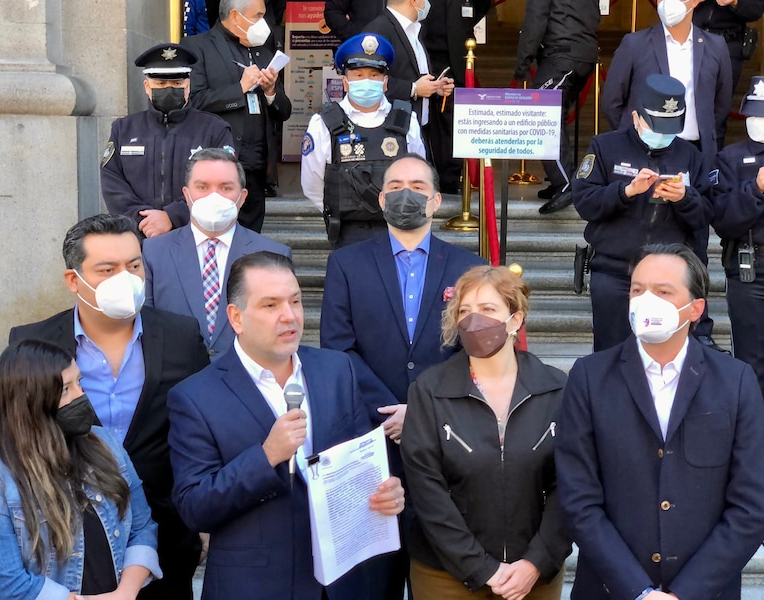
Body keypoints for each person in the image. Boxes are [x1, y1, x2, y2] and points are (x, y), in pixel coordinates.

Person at [167, 251, 406, 599]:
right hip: (255, 586)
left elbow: (360, 464)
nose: (289, 315)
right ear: (236, 317)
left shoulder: (338, 370)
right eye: (270, 305)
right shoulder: (195, 396)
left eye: (295, 300)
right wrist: (266, 457)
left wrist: (386, 494)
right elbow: (194, 507)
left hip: (343, 583)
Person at [9, 214, 210, 600]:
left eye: (134, 265)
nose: (126, 278)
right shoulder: (31, 343)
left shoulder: (182, 336)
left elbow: (203, 428)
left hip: (165, 540)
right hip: (64, 547)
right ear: (74, 280)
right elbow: (17, 438)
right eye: (108, 269)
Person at [556, 243, 764, 600]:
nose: (645, 300)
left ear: (695, 308)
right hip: (610, 590)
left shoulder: (736, 381)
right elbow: (579, 499)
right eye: (637, 290)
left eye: (663, 291)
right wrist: (638, 591)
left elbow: (751, 505)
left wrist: (687, 592)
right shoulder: (589, 377)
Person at [320, 153, 485, 599]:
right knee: (375, 577)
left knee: (440, 575)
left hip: (447, 439)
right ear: (380, 200)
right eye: (394, 186)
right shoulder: (346, 264)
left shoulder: (470, 266)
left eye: (416, 186)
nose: (405, 194)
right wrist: (392, 410)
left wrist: (422, 408)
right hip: (371, 439)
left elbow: (478, 348)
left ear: (434, 201)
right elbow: (338, 348)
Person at [401, 265, 571, 599]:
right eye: (465, 311)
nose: (473, 320)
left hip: (534, 576)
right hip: (446, 576)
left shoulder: (555, 388)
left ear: (516, 321)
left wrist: (536, 562)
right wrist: (481, 568)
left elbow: (568, 485)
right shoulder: (430, 390)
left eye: (488, 309)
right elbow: (427, 492)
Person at [0, 340, 162, 599]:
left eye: (79, 382)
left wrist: (124, 593)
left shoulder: (106, 444)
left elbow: (142, 527)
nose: (80, 396)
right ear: (31, 402)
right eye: (66, 389)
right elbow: (9, 586)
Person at [572, 74, 713, 352]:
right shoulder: (605, 147)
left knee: (666, 355)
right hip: (615, 273)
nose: (663, 135)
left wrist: (685, 198)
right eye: (656, 126)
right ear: (636, 117)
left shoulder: (691, 156)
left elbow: (706, 215)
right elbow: (584, 202)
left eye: (670, 128)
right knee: (611, 354)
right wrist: (625, 192)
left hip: (668, 276)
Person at [144, 148, 291, 361]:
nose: (214, 196)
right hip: (175, 383)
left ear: (242, 198)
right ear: (187, 195)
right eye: (202, 187)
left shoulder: (274, 255)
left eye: (226, 188)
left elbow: (280, 329)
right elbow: (147, 327)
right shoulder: (154, 252)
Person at [301, 33, 425, 248]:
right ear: (346, 82)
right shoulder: (323, 123)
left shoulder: (406, 120)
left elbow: (418, 175)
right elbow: (312, 183)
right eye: (358, 75)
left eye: (374, 75)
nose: (366, 81)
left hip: (398, 230)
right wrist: (339, 207)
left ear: (385, 82)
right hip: (348, 232)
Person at [100, 43, 236, 239]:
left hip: (195, 236)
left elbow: (224, 182)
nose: (169, 89)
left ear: (188, 86)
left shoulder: (214, 129)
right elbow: (112, 182)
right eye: (161, 84)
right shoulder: (124, 129)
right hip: (138, 238)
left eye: (177, 84)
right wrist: (144, 221)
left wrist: (172, 216)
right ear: (147, 87)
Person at [182, 0, 293, 233]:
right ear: (235, 16)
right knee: (216, 233)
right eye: (258, 16)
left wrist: (271, 91)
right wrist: (240, 88)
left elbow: (284, 111)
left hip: (257, 165)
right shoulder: (197, 46)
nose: (263, 23)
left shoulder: (263, 51)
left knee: (251, 238)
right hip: (218, 162)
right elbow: (193, 102)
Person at [602, 0, 732, 165]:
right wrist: (634, 134)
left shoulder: (716, 46)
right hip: (642, 152)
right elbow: (612, 102)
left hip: (696, 152)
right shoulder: (635, 44)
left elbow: (721, 104)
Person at [514, 0, 600, 214]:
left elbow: (535, 21)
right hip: (583, 55)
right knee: (554, 118)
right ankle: (559, 179)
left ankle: (566, 183)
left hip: (561, 55)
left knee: (543, 118)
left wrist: (522, 63)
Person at [712, 75, 764, 393]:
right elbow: (723, 219)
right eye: (754, 115)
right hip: (751, 268)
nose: (758, 122)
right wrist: (756, 190)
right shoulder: (730, 159)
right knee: (750, 363)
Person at [421, 0, 492, 194]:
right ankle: (427, 174)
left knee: (452, 123)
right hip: (426, 56)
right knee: (427, 122)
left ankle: (450, 178)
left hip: (457, 60)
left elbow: (481, 6)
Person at [366, 0, 455, 130]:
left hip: (417, 129)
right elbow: (369, 81)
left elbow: (411, 74)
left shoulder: (413, 31)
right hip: (391, 131)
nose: (427, 3)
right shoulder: (379, 30)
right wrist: (413, 89)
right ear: (414, 1)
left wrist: (435, 87)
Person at [694, 0, 764, 94]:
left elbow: (756, 10)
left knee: (721, 100)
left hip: (729, 45)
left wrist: (735, 2)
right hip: (690, 40)